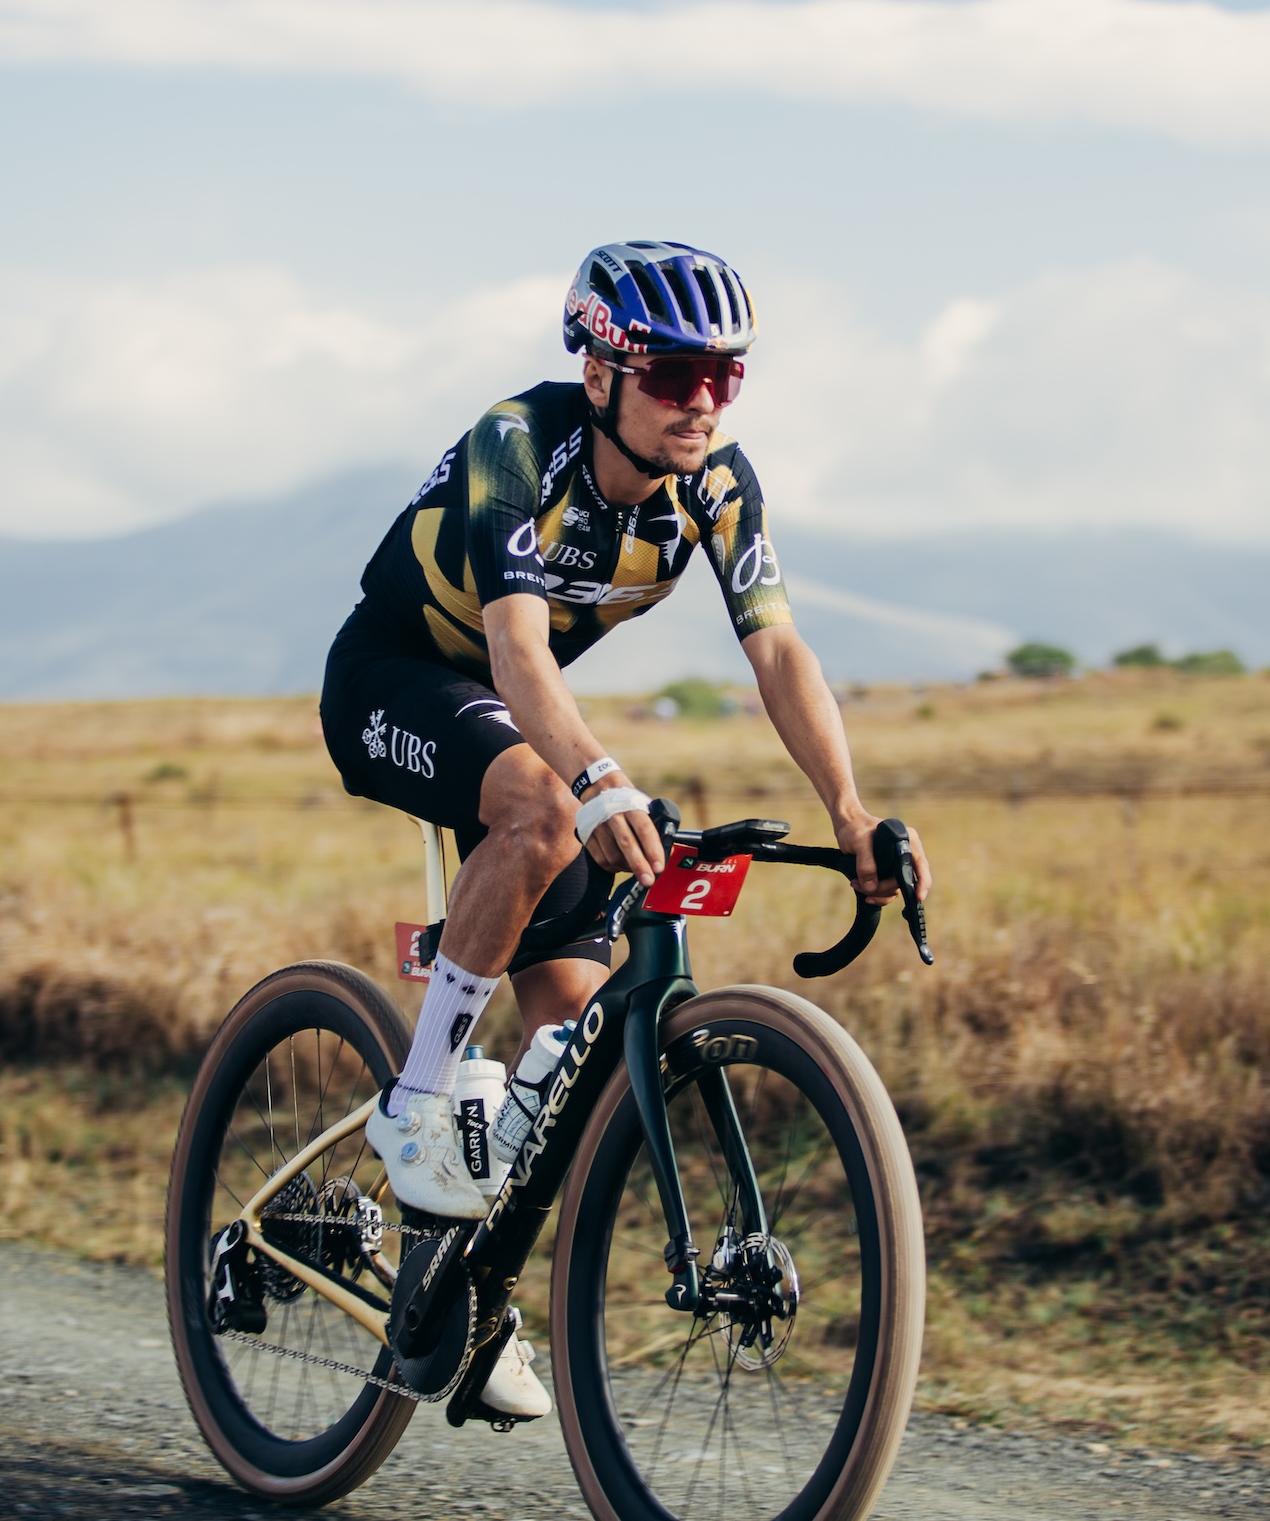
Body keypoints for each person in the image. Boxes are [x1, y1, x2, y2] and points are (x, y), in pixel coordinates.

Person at [317, 240, 935, 1419]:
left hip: (515, 712)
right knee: (548, 807)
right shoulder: (518, 442)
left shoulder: (718, 483)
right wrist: (596, 777)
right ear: (600, 369)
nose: (702, 398)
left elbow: (778, 649)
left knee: (573, 1054)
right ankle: (418, 1098)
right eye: (674, 373)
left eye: (726, 376)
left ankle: (458, 1293)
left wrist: (849, 812)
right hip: (395, 677)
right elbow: (514, 651)